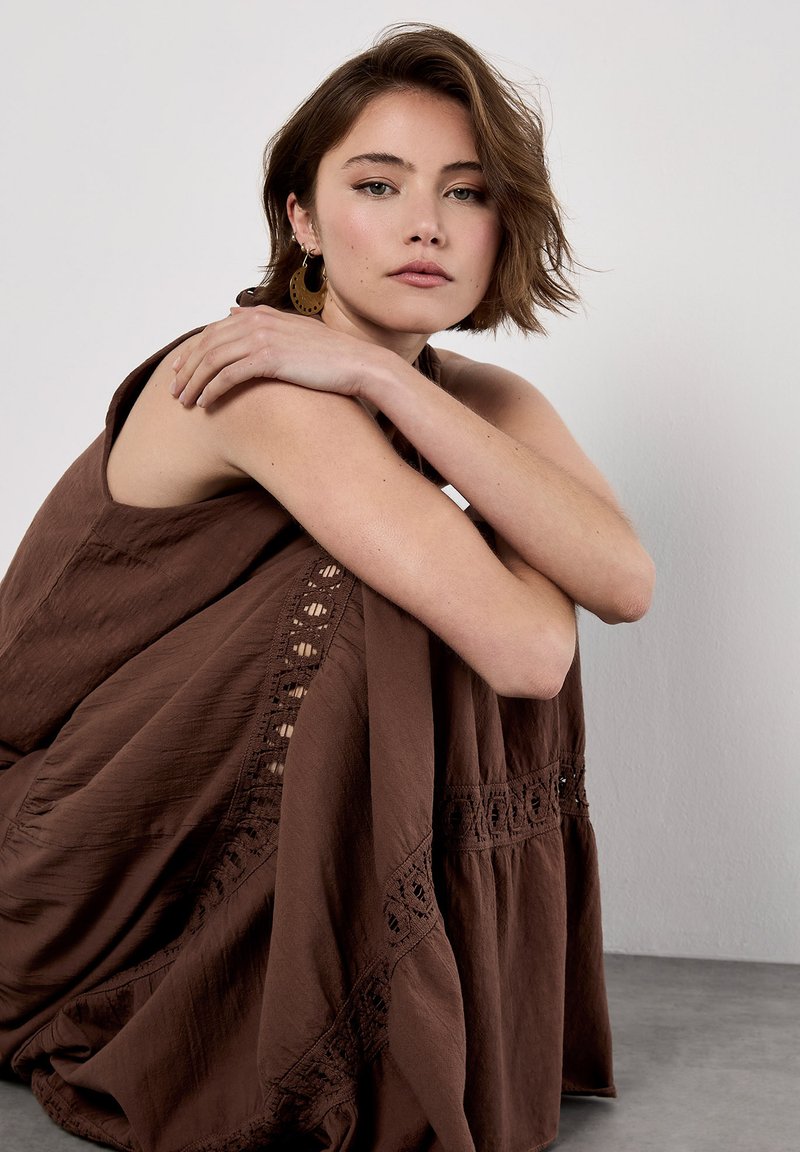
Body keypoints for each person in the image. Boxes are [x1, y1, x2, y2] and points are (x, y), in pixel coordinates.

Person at [0, 23, 654, 1152]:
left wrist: (377, 376)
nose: (424, 224)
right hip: (55, 857)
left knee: (444, 576)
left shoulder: (465, 397)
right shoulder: (255, 380)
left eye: (465, 191)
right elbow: (531, 649)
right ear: (301, 219)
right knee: (379, 592)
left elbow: (626, 582)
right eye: (376, 184)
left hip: (181, 825)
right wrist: (512, 527)